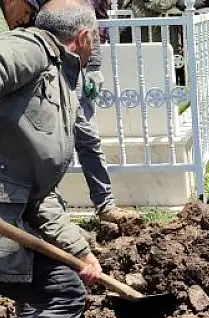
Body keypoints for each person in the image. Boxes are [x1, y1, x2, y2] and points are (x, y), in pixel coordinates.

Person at [0, 0, 106, 318]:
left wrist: (81, 251)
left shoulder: (59, 80)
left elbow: (38, 194)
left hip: (15, 212)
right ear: (83, 37)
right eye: (96, 37)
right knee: (60, 293)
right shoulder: (32, 48)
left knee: (51, 286)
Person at [1, 0, 140, 224]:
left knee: (86, 136)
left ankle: (104, 204)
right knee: (40, 142)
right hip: (26, 78)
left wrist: (92, 67)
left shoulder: (57, 8)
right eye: (24, 13)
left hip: (66, 65)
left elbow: (85, 23)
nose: (24, 19)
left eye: (27, 12)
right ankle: (46, 210)